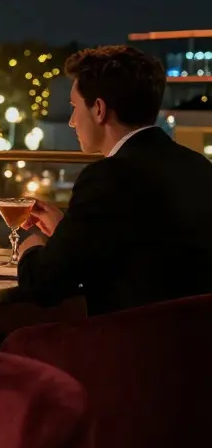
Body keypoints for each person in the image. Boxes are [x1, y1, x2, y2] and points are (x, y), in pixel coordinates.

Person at [18, 45, 212, 314]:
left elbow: (42, 285)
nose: (72, 121)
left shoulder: (107, 177)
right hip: (195, 334)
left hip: (131, 336)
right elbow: (138, 246)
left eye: (74, 107)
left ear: (99, 109)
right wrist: (66, 232)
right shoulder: (198, 166)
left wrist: (31, 247)